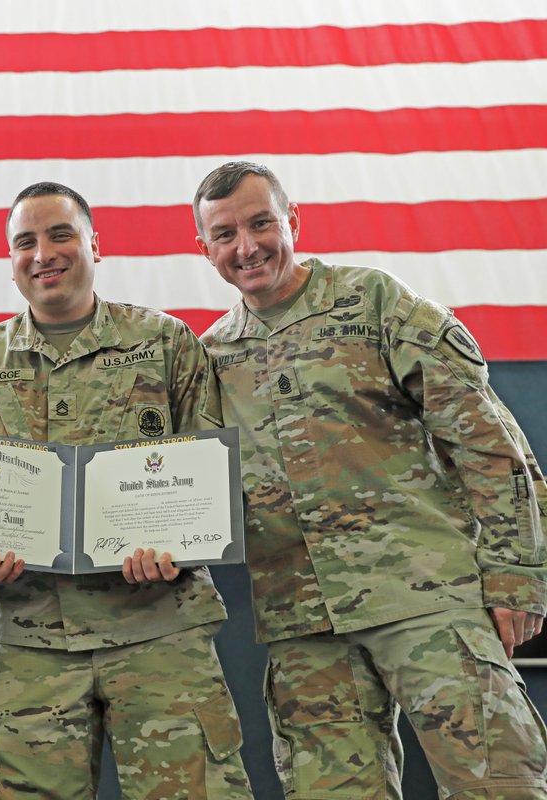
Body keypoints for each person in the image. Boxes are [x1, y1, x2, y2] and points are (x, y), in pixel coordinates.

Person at [194, 160, 547, 798]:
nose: (246, 247)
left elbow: (488, 445)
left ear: (292, 221)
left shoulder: (374, 302)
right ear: (206, 248)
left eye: (261, 223)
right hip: (303, 625)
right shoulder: (211, 356)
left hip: (424, 596)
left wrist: (516, 575)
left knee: (499, 784)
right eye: (225, 234)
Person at [0, 182, 251, 799]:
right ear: (12, 260)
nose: (43, 253)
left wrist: (180, 545)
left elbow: (214, 482)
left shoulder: (164, 344)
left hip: (159, 631)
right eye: (26, 241)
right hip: (27, 637)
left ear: (94, 244)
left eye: (60, 234)